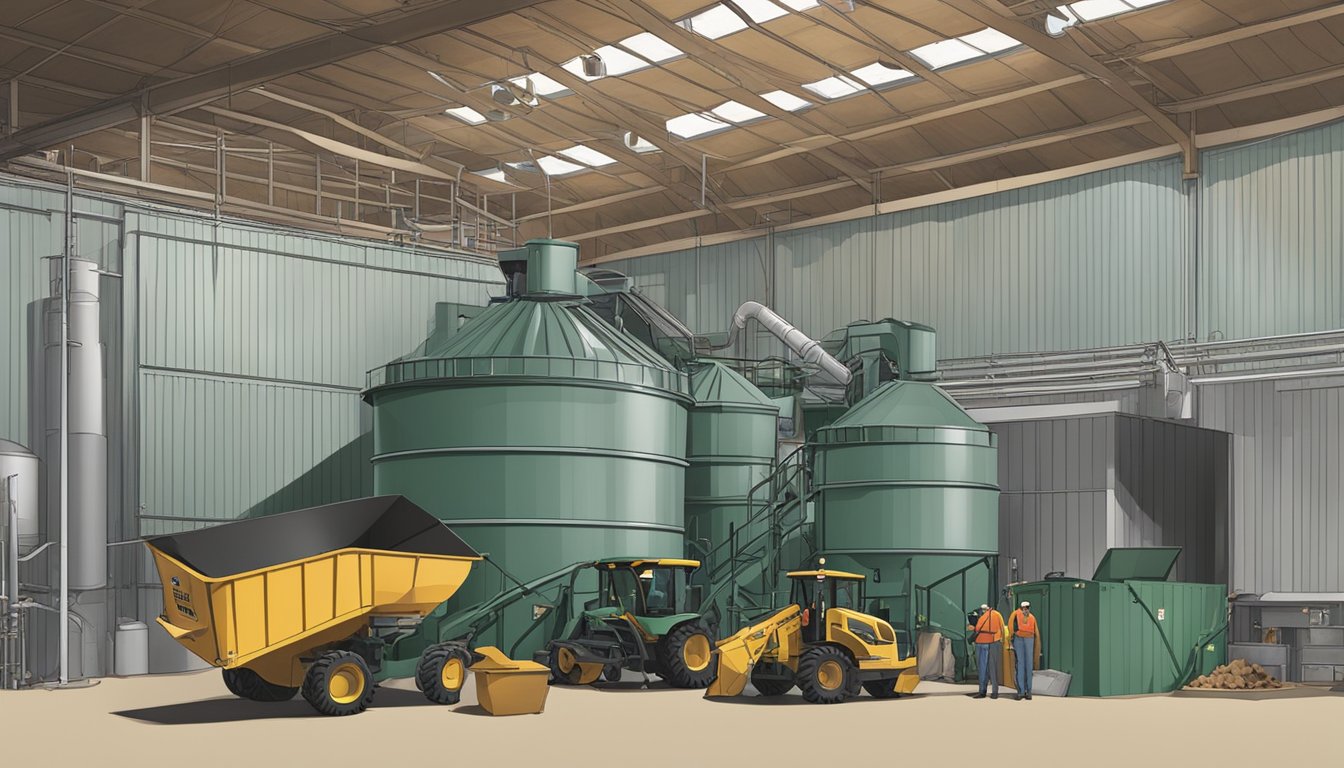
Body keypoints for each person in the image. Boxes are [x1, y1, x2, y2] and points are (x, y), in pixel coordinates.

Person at [967, 603, 1006, 699]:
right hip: (992, 642)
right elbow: (1001, 628)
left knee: (982, 668)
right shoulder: (996, 614)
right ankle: (994, 692)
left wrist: (973, 628)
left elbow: (976, 628)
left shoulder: (978, 615)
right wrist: (1001, 640)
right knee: (992, 668)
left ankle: (982, 691)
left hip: (981, 643)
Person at [1008, 601, 1039, 700]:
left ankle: (1021, 692)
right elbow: (1036, 632)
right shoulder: (1032, 617)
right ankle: (1028, 691)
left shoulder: (1015, 614)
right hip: (1029, 639)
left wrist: (1011, 639)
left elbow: (1010, 627)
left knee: (1021, 664)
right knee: (1028, 665)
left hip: (1019, 639)